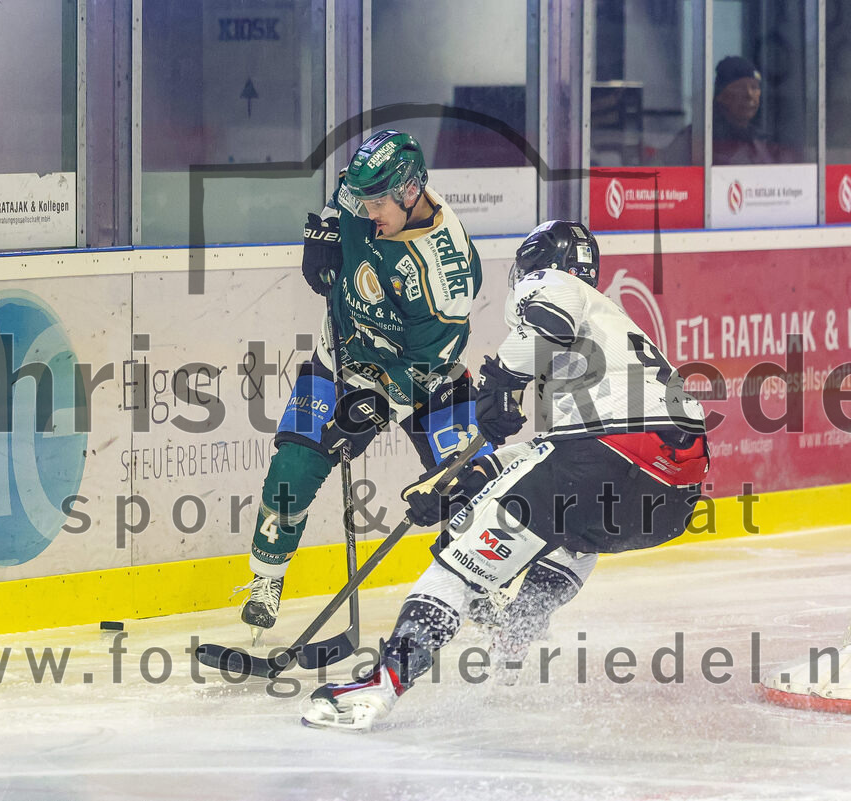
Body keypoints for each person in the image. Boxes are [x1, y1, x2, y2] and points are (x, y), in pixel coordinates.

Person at [300, 220, 710, 731]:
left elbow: (548, 327)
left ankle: (379, 686)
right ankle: (516, 632)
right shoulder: (614, 330)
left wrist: (498, 384)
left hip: (606, 456)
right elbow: (550, 457)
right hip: (672, 496)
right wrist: (468, 482)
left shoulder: (555, 284)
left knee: (458, 567)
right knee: (573, 535)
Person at [239, 130, 491, 641]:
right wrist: (327, 233)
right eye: (364, 198)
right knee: (291, 467)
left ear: (410, 192)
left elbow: (425, 365)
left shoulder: (445, 272)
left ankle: (488, 592)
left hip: (426, 378)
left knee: (467, 489)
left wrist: (369, 406)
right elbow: (342, 198)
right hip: (343, 355)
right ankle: (265, 581)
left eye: (378, 201)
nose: (366, 208)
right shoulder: (368, 194)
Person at [658, 55, 781, 166]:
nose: (749, 95)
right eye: (739, 88)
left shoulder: (762, 141)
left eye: (754, 87)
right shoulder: (696, 138)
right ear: (721, 96)